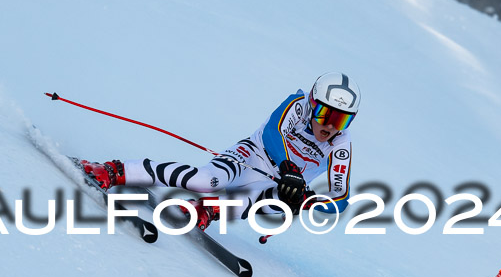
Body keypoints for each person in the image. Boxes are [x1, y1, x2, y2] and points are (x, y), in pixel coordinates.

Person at [80, 72, 360, 231]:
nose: (331, 126)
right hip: (253, 157)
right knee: (206, 181)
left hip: (275, 186)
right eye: (326, 114)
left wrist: (309, 202)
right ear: (313, 103)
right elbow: (274, 133)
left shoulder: (341, 145)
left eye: (342, 120)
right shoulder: (297, 105)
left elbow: (342, 197)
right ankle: (115, 170)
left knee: (265, 206)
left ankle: (206, 210)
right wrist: (288, 167)